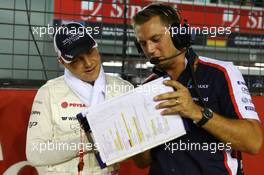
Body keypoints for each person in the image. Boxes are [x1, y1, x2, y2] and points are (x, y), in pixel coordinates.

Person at [132, 3, 263, 175]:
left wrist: (196, 112)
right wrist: (136, 134)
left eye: (156, 39)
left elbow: (253, 142)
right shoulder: (147, 87)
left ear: (178, 35)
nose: (149, 49)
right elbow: (143, 162)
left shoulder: (221, 72)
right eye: (142, 43)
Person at [26, 22, 133, 175]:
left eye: (90, 52)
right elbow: (34, 153)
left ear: (96, 47)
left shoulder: (123, 89)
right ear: (62, 62)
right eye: (76, 60)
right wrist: (91, 141)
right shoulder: (48, 93)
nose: (88, 63)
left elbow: (138, 145)